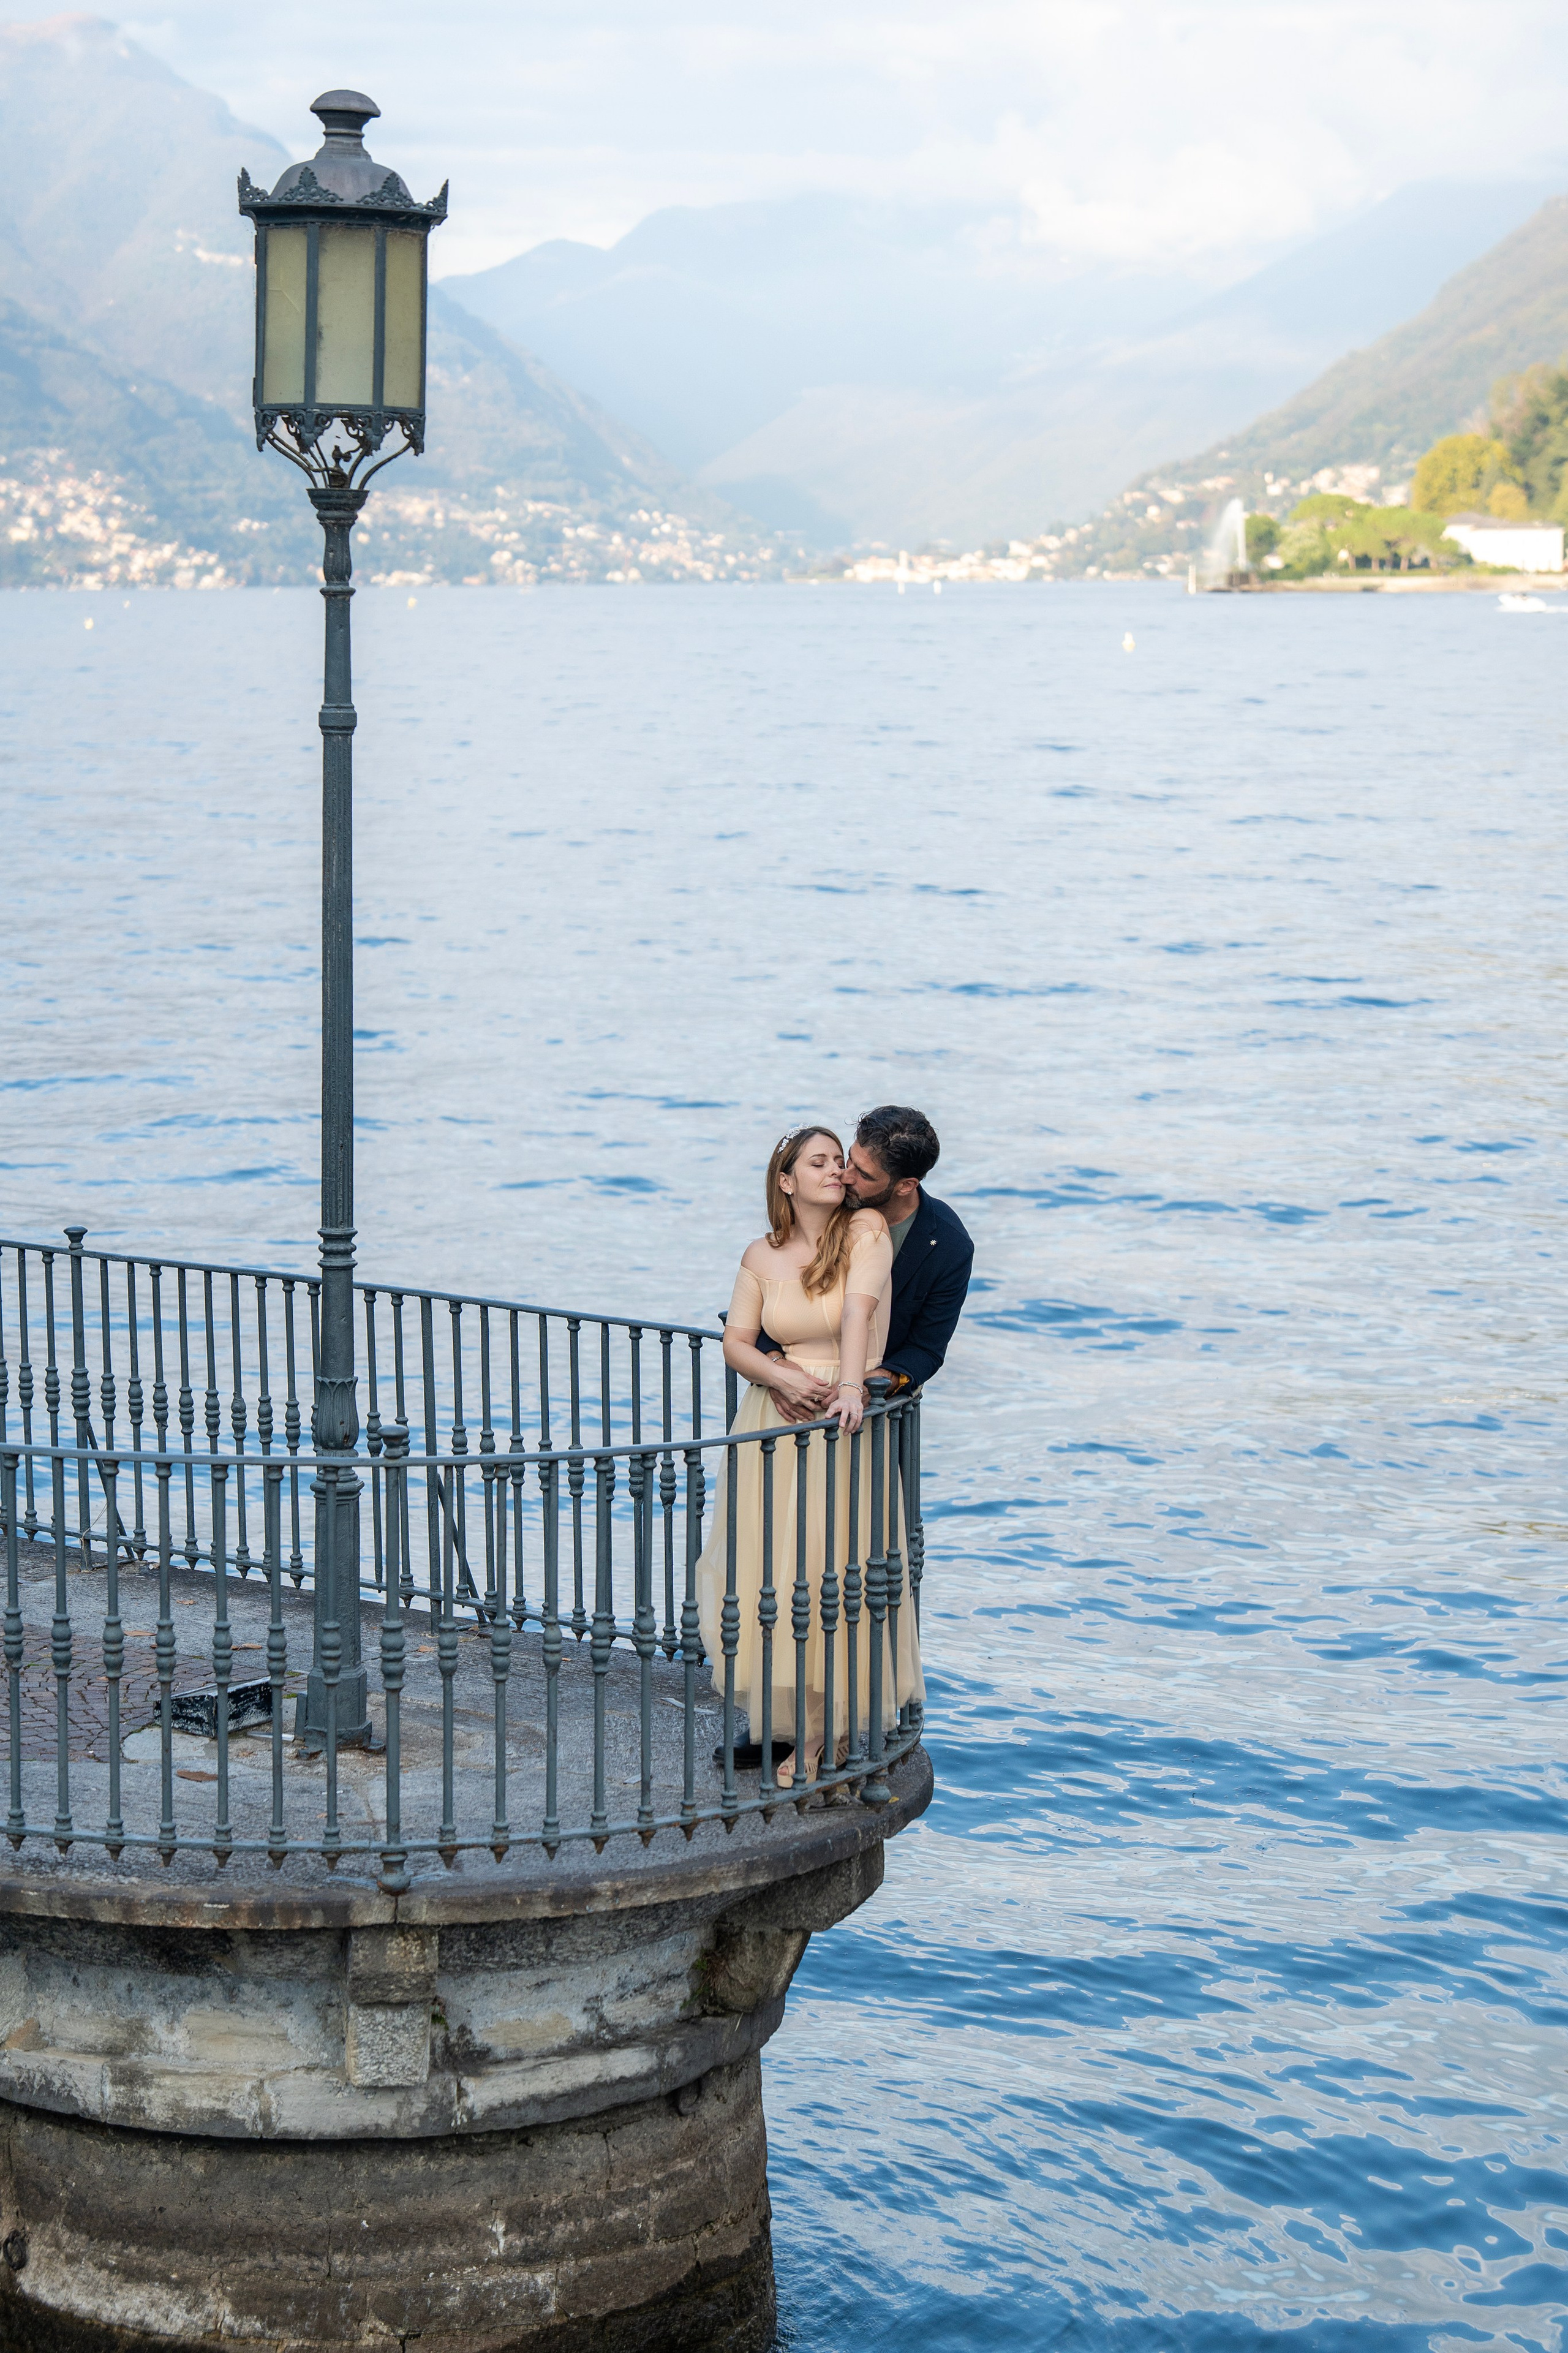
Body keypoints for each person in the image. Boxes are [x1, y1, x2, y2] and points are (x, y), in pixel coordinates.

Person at [696, 1125, 923, 1786]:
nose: (837, 1173)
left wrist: (848, 1387)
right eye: (819, 1163)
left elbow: (859, 1314)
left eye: (838, 1162)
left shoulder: (865, 1232)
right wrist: (779, 1376)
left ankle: (821, 1739)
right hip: (775, 1419)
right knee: (778, 1571)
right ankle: (808, 1720)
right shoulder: (760, 1254)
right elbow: (736, 1341)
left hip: (842, 1420)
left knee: (835, 1573)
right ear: (786, 1181)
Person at [763, 1105, 973, 1425]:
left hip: (874, 1417)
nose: (844, 1176)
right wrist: (776, 1370)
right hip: (789, 1408)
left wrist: (873, 1385)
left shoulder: (949, 1245)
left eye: (864, 1175)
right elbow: (768, 1289)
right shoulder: (826, 1200)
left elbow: (927, 1349)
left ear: (906, 1185)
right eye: (850, 1160)